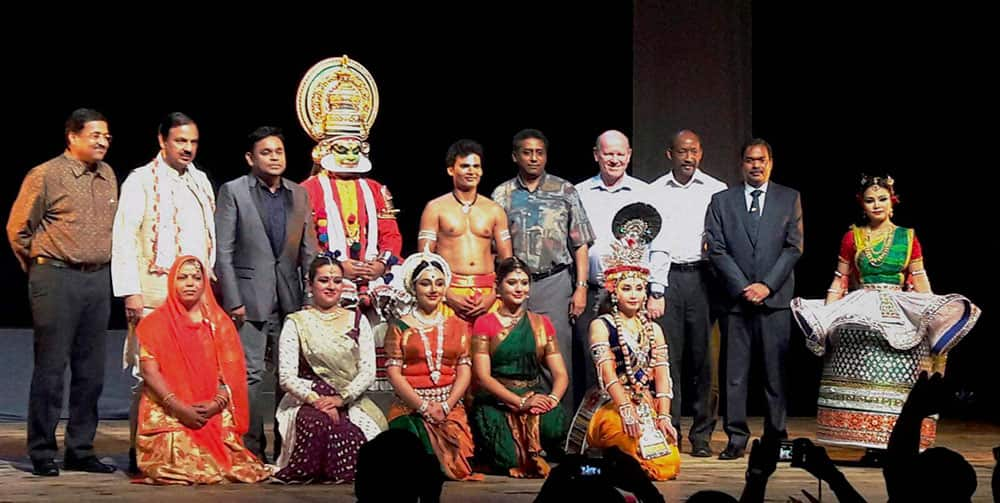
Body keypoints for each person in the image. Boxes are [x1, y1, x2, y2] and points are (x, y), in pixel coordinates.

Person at [791, 175, 980, 455]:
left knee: (895, 371)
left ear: (892, 202)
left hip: (899, 307)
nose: (876, 205)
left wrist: (931, 312)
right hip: (862, 306)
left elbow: (918, 277)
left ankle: (893, 439)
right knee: (863, 366)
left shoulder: (907, 237)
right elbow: (839, 279)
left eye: (882, 199)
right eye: (870, 200)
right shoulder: (852, 236)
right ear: (862, 205)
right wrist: (829, 315)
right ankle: (867, 440)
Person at [7, 108, 118, 476]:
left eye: (107, 136)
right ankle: (41, 450)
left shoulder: (108, 175)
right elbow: (18, 229)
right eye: (95, 135)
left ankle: (80, 449)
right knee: (52, 369)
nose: (103, 141)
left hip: (98, 279)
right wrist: (41, 266)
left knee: (92, 371)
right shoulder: (46, 174)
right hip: (55, 276)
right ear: (72, 136)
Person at [111, 112, 216, 472]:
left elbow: (207, 241)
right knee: (149, 375)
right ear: (162, 141)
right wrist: (130, 293)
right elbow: (123, 237)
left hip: (195, 294)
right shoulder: (140, 180)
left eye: (193, 142)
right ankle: (141, 454)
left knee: (189, 373)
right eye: (180, 141)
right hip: (153, 291)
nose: (187, 148)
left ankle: (184, 453)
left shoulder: (201, 181)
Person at [297, 55, 402, 400]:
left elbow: (392, 235)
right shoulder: (309, 189)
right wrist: (335, 266)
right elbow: (306, 241)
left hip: (371, 288)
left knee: (374, 360)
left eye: (354, 147)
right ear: (323, 146)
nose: (347, 154)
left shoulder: (376, 189)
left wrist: (381, 264)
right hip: (328, 286)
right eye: (340, 147)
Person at [214, 126, 320, 462]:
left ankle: (284, 449)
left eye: (279, 152)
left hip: (289, 300)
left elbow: (309, 251)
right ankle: (251, 448)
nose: (274, 158)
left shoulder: (298, 193)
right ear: (250, 158)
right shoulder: (234, 191)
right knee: (252, 374)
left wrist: (309, 300)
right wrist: (233, 299)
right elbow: (224, 251)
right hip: (249, 300)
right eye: (266, 152)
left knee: (287, 375)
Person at [705, 138, 803, 460]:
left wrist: (766, 286)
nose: (755, 165)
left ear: (771, 162)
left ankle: (777, 437)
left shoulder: (789, 198)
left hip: (774, 302)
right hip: (735, 303)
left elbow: (793, 247)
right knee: (734, 375)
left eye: (761, 160)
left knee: (775, 374)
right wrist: (744, 287)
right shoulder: (722, 201)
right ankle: (736, 437)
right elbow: (716, 249)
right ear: (741, 164)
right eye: (749, 160)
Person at [134, 256, 270, 484]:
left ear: (205, 283)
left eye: (197, 278)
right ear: (171, 283)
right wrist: (178, 407)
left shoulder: (219, 323)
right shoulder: (154, 324)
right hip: (169, 409)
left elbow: (231, 375)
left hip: (211, 408)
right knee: (179, 457)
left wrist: (215, 403)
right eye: (183, 278)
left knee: (228, 462)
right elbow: (150, 372)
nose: (190, 283)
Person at [570, 203, 681, 481]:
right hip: (610, 402)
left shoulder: (653, 329)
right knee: (625, 446)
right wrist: (624, 407)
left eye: (640, 288)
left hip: (644, 404)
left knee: (669, 462)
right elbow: (607, 373)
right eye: (626, 288)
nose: (634, 294)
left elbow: (663, 377)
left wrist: (664, 416)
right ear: (613, 291)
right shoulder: (601, 325)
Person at [491, 128, 595, 409]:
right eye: (527, 152)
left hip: (555, 283)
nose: (534, 158)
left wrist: (581, 288)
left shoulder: (564, 190)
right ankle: (520, 428)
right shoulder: (503, 194)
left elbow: (581, 242)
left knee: (556, 355)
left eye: (539, 152)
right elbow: (493, 246)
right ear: (515, 156)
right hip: (515, 285)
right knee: (516, 353)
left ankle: (560, 431)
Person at [645, 130, 727, 457]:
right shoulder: (654, 191)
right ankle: (671, 431)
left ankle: (703, 436)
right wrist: (655, 288)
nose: (688, 157)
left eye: (693, 151)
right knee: (669, 360)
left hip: (704, 278)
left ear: (701, 153)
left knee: (705, 362)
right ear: (670, 154)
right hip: (669, 281)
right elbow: (649, 243)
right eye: (682, 151)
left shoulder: (716, 190)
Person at [272, 254, 387, 483]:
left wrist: (341, 398)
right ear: (310, 284)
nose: (331, 286)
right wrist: (317, 400)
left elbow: (367, 371)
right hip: (307, 398)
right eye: (324, 280)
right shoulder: (297, 321)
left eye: (336, 281)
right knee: (317, 425)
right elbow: (286, 376)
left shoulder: (357, 320)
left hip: (348, 397)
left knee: (351, 432)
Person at [382, 249, 481, 480]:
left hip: (449, 407)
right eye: (426, 283)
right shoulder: (399, 327)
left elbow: (464, 370)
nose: (433, 289)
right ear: (413, 288)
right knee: (418, 458)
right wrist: (423, 407)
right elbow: (394, 374)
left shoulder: (457, 325)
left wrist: (446, 406)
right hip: (410, 408)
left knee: (459, 459)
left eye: (438, 283)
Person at [470, 257, 570, 477]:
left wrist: (551, 400)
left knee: (554, 426)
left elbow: (561, 374)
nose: (519, 288)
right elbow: (482, 376)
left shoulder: (540, 324)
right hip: (496, 399)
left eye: (524, 283)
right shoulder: (484, 323)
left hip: (533, 394)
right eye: (512, 282)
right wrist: (520, 402)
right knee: (509, 457)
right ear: (498, 287)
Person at [574, 130, 650, 408]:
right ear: (597, 155)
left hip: (632, 296)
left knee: (630, 362)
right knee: (589, 362)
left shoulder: (644, 193)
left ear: (629, 155)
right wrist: (579, 288)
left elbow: (655, 246)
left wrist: (653, 292)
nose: (614, 159)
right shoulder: (578, 192)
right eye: (608, 153)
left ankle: (629, 427)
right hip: (592, 291)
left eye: (620, 154)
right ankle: (586, 436)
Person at [417, 139, 512, 323]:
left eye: (476, 166)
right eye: (465, 166)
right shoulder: (435, 208)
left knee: (488, 351)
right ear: (451, 170)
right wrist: (447, 294)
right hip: (448, 292)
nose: (472, 171)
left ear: (482, 170)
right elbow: (425, 259)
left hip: (488, 294)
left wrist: (494, 294)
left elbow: (507, 261)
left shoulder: (494, 210)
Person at [884, 372, 977, 502]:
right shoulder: (902, 486)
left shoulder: (904, 490)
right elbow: (897, 470)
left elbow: (898, 467)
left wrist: (912, 410)